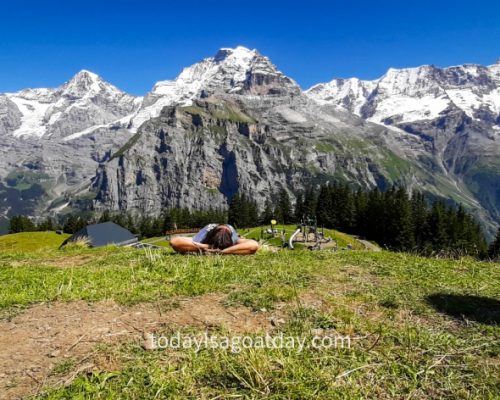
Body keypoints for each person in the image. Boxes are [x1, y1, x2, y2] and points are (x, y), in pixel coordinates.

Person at [170, 223, 259, 255]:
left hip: (227, 233)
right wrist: (208, 246)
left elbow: (254, 245)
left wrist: (222, 252)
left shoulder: (233, 239)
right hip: (211, 234)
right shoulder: (203, 236)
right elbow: (174, 242)